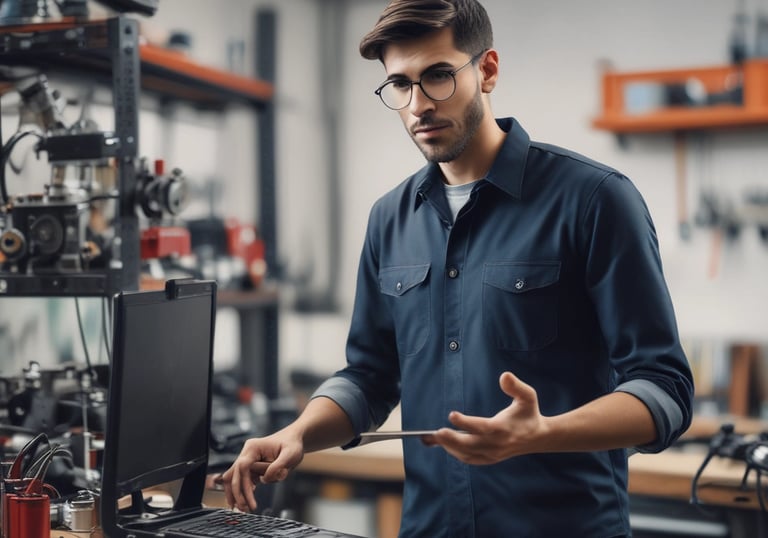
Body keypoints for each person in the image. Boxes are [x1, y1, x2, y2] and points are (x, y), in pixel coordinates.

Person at [221, 1, 694, 536]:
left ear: (487, 70)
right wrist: (301, 432)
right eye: (399, 85)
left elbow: (665, 390)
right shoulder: (389, 219)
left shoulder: (596, 200)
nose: (418, 104)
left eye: (439, 76)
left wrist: (541, 432)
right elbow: (370, 376)